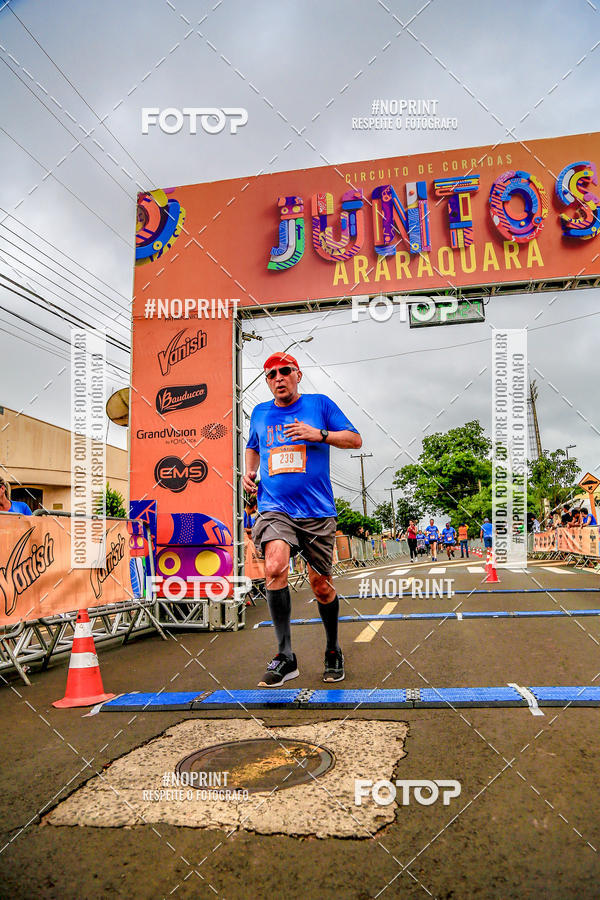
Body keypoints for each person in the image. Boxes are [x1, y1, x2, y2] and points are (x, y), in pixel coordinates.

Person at [244, 352, 362, 687]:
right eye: (271, 375)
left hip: (317, 512)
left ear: (298, 375)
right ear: (267, 381)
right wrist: (249, 470)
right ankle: (285, 656)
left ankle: (333, 648)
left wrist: (318, 434)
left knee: (320, 586)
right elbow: (253, 446)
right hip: (274, 507)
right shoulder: (259, 413)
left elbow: (355, 439)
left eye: (284, 372)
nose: (278, 378)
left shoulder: (319, 405)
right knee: (275, 567)